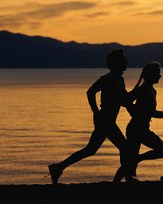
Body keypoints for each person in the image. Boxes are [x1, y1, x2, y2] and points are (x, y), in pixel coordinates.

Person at [48, 49, 136, 185]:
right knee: (124, 148)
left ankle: (58, 167)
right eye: (124, 60)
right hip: (105, 120)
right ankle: (127, 178)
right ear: (116, 63)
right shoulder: (107, 79)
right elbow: (90, 92)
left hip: (109, 120)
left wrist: (133, 106)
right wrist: (96, 112)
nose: (127, 62)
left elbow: (124, 99)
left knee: (90, 150)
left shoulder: (119, 79)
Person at [113, 62, 163, 183]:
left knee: (131, 161)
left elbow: (148, 112)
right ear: (151, 75)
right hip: (136, 129)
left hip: (142, 128)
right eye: (158, 73)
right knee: (162, 151)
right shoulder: (143, 90)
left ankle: (121, 181)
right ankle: (116, 184)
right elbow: (126, 101)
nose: (160, 76)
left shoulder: (152, 90)